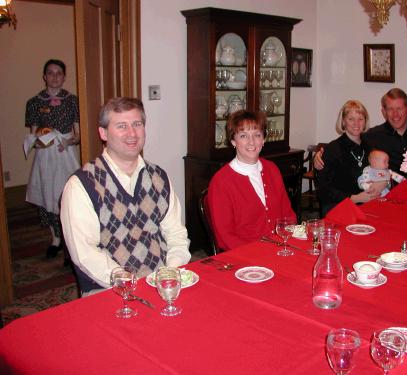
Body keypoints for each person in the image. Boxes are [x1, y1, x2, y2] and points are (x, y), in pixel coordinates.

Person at [60, 97, 190, 295]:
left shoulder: (159, 177)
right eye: (121, 126)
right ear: (103, 133)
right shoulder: (82, 185)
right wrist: (130, 283)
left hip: (160, 283)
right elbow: (84, 253)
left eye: (137, 124)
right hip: (107, 289)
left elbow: (176, 235)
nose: (132, 133)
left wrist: (169, 273)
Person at [207, 110, 296, 251]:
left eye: (257, 135)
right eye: (243, 136)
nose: (252, 142)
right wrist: (259, 252)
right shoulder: (221, 182)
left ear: (263, 139)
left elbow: (288, 215)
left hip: (280, 248)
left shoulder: (272, 169)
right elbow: (225, 237)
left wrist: (286, 240)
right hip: (245, 256)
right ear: (233, 141)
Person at [25, 59, 80, 258]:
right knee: (48, 193)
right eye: (50, 73)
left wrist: (68, 142)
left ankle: (69, 241)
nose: (55, 77)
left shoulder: (73, 100)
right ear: (44, 76)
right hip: (45, 155)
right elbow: (32, 135)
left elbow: (78, 134)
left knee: (67, 193)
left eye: (59, 73)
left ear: (64, 77)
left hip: (65, 153)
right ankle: (55, 239)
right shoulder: (34, 102)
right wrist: (40, 142)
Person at [315, 88, 407, 180]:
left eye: (399, 108)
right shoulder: (373, 136)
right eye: (390, 109)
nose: (395, 114)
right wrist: (321, 155)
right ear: (383, 112)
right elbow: (346, 142)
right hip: (388, 197)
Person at [316, 100, 384, 216]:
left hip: (368, 205)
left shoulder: (371, 147)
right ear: (343, 122)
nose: (356, 123)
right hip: (340, 207)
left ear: (365, 121)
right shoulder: (332, 149)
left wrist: (379, 185)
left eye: (360, 119)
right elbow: (323, 190)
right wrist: (355, 198)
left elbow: (381, 172)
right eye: (351, 119)